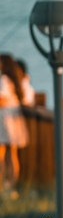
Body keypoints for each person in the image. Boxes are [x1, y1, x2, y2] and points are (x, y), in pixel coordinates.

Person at [0, 54, 29, 193]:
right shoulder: (14, 80)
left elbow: (2, 99)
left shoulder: (3, 80)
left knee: (3, 155)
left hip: (5, 120)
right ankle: (10, 186)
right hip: (13, 119)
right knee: (12, 154)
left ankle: (4, 184)